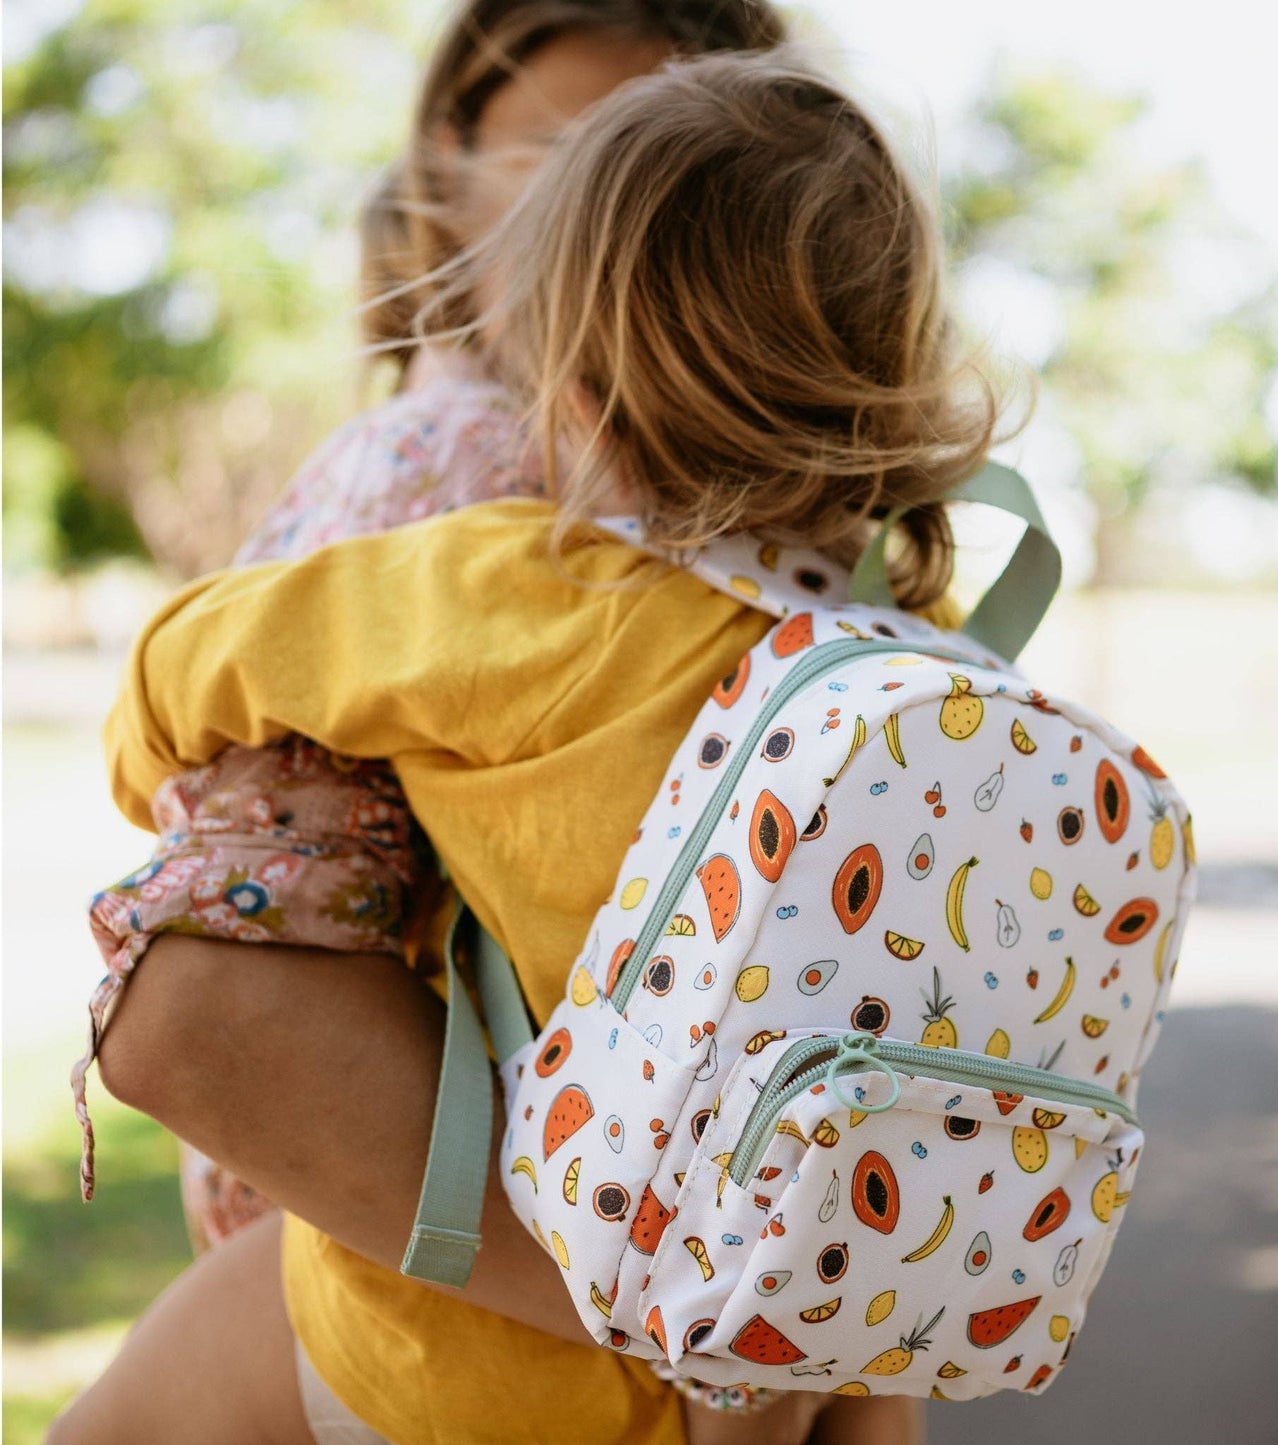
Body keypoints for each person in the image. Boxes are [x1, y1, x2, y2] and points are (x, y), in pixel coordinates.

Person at [62, 50, 1005, 1445]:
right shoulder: (926, 648)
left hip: (453, 1346)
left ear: (570, 381)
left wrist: (150, 748)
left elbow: (183, 674)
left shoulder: (514, 587)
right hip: (769, 1358)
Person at [72, 0, 786, 1252]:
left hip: (543, 1229)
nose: (608, 229)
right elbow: (236, 975)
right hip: (473, 1219)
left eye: (671, 177)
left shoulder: (711, 511)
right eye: (564, 163)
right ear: (440, 187)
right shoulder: (453, 459)